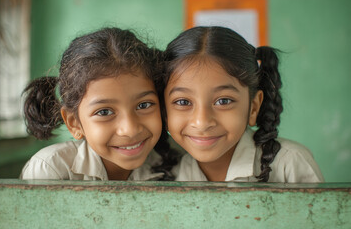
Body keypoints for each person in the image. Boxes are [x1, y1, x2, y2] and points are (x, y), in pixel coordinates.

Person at [163, 26, 324, 182]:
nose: (202, 122)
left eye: (223, 101)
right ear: (164, 108)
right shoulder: (160, 170)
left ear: (253, 107)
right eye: (183, 102)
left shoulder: (290, 164)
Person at [20, 27, 178, 181]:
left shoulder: (178, 166)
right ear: (74, 123)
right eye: (104, 112)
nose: (129, 130)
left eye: (143, 105)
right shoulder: (51, 170)